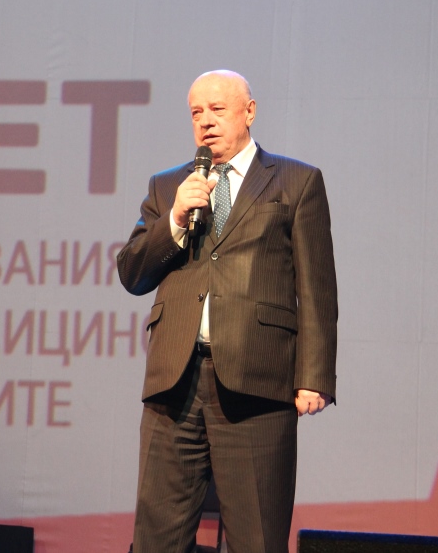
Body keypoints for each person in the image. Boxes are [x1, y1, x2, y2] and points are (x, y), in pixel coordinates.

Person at [117, 69, 338, 553]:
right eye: (196, 112)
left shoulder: (296, 181)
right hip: (174, 384)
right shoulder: (168, 186)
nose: (206, 121)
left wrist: (315, 375)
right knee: (156, 539)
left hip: (258, 383)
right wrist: (175, 218)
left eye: (217, 109)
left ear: (249, 112)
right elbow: (132, 273)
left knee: (256, 537)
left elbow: (317, 289)